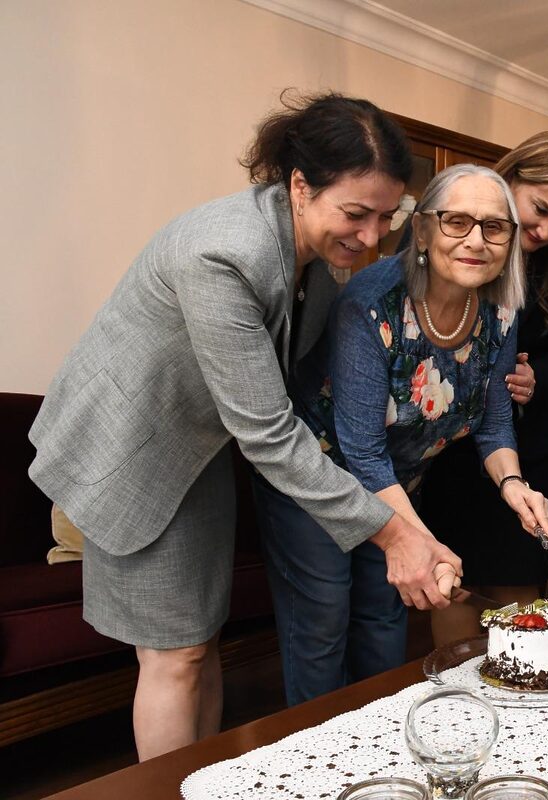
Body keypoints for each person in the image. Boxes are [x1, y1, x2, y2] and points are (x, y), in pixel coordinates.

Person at [25, 92, 460, 760]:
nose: (372, 238)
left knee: (201, 644)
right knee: (174, 655)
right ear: (299, 184)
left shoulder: (315, 257)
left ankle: (204, 778)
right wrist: (394, 533)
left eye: (386, 216)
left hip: (196, 451)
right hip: (129, 451)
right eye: (355, 214)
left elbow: (319, 379)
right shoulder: (223, 254)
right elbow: (268, 432)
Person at [257, 163, 548, 705]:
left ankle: (384, 746)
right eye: (456, 222)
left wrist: (514, 485)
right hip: (319, 477)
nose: (476, 241)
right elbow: (361, 450)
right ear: (421, 230)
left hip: (396, 483)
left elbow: (492, 421)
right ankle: (317, 759)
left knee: (383, 617)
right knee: (323, 619)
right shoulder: (370, 304)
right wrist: (420, 541)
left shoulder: (503, 310)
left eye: (494, 227)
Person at [420, 132, 548, 646]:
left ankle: (516, 699)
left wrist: (536, 378)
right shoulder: (454, 238)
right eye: (540, 209)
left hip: (527, 447)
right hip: (451, 450)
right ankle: (460, 699)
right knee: (454, 585)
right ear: (512, 178)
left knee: (518, 595)